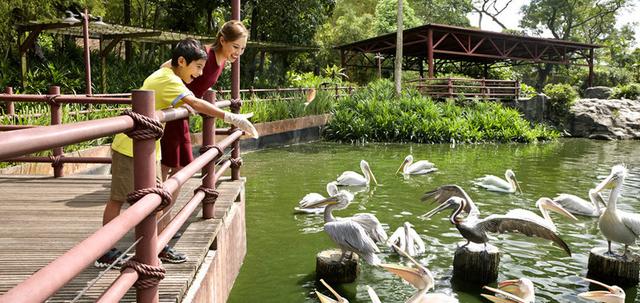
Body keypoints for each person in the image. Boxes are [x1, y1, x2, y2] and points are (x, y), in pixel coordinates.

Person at [95, 37, 258, 269]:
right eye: (198, 67)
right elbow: (196, 103)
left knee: (158, 199)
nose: (201, 74)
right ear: (181, 61)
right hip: (130, 148)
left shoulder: (169, 76)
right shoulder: (167, 79)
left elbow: (188, 101)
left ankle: (157, 246)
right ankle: (105, 251)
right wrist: (231, 117)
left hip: (147, 147)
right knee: (119, 199)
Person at [160, 20, 249, 180]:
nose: (238, 52)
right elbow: (165, 67)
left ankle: (161, 199)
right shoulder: (205, 54)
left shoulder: (222, 61)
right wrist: (181, 96)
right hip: (174, 111)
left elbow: (199, 84)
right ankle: (154, 198)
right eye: (235, 47)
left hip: (184, 113)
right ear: (222, 40)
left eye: (242, 48)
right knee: (170, 163)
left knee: (180, 165)